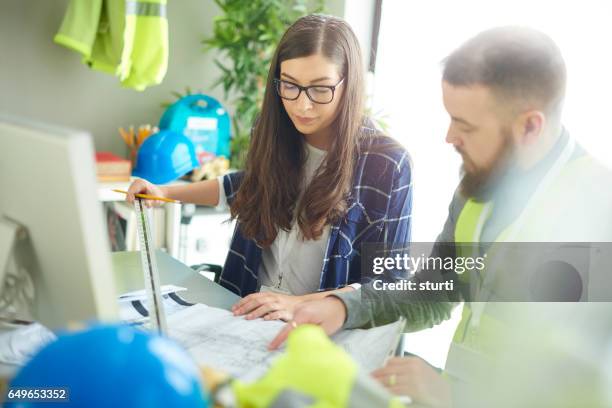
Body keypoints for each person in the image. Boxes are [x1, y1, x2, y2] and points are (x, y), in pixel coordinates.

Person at [270, 26, 612, 407]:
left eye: (465, 126)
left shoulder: (595, 212)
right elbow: (434, 291)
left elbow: (572, 380)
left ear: (530, 126)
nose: (449, 137)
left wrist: (455, 396)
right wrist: (344, 306)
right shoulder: (481, 185)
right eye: (451, 118)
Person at [126, 14, 412, 322]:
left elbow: (390, 284)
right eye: (290, 85)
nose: (302, 105)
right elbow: (246, 185)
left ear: (349, 83)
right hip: (245, 314)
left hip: (318, 333)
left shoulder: (388, 164)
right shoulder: (273, 131)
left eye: (320, 89)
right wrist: (163, 192)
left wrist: (297, 304)